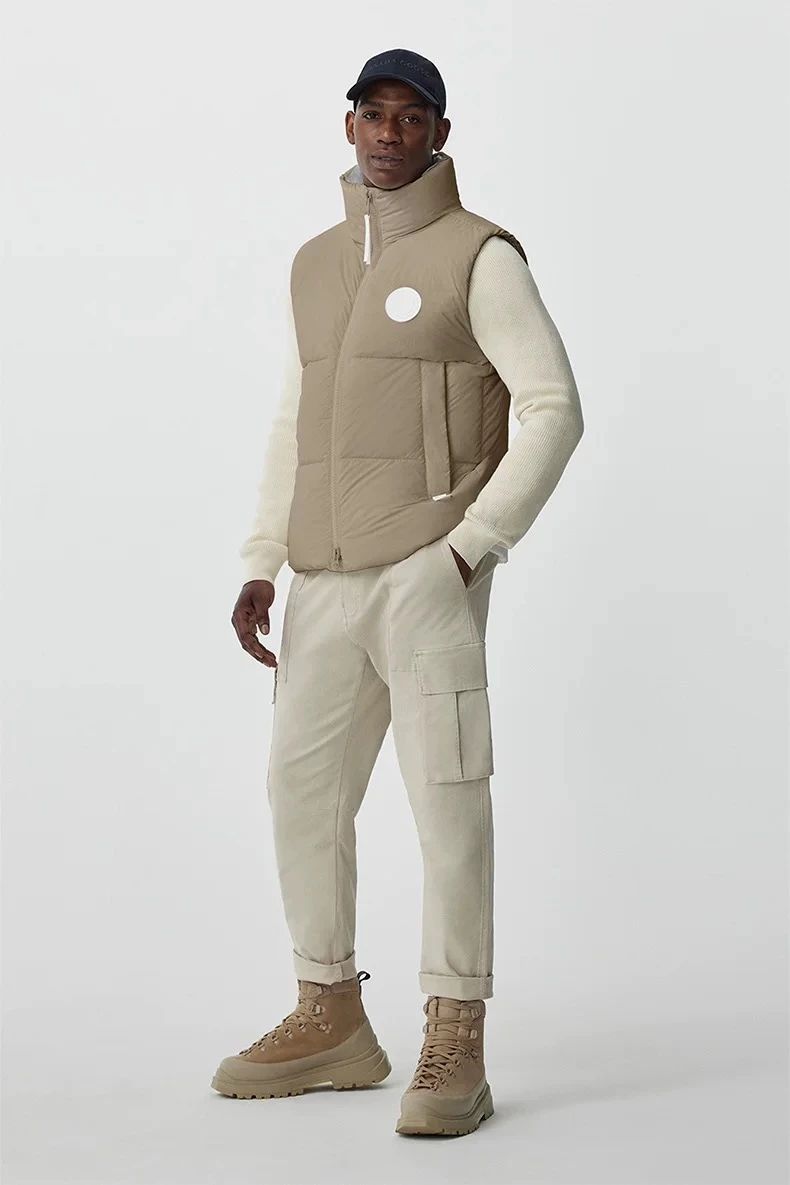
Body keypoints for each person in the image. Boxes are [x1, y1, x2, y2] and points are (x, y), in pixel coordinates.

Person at [211, 48, 584, 1137]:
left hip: (426, 577)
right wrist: (260, 558)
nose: (388, 133)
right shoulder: (313, 265)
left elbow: (553, 407)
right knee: (300, 792)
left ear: (439, 134)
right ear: (348, 128)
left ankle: (455, 1033)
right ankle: (330, 1013)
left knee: (447, 801)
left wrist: (468, 551)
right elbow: (295, 422)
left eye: (410, 117)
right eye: (372, 114)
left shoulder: (481, 255)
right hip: (321, 580)